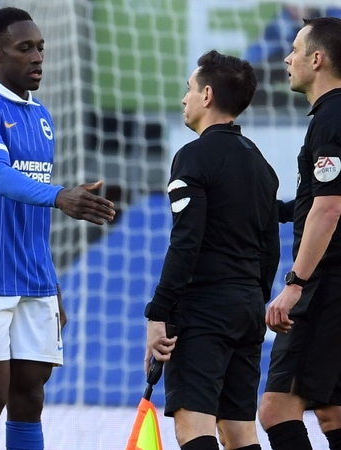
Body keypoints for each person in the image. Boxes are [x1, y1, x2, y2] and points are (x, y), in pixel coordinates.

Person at [0, 7, 116, 450]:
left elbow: (31, 217)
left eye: (40, 48)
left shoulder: (42, 117)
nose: (37, 57)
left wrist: (53, 285)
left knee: (30, 398)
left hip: (34, 277)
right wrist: (61, 196)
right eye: (25, 48)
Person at [144, 50, 279, 450]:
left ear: (206, 95)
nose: (183, 99)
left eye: (188, 90)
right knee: (239, 431)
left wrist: (159, 314)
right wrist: (255, 299)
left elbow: (186, 242)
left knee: (193, 427)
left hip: (204, 311)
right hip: (248, 310)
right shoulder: (262, 164)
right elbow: (269, 248)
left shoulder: (192, 157)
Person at [259, 17, 341, 450]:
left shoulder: (331, 119)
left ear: (317, 58)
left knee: (276, 409)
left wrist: (295, 284)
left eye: (294, 50)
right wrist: (264, 210)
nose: (287, 58)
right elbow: (318, 202)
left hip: (325, 285)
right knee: (331, 410)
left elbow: (329, 208)